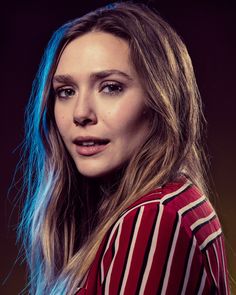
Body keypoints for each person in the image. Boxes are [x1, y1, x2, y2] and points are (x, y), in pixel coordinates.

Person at [18, 2, 230, 294]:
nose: (81, 113)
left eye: (110, 87)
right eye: (66, 92)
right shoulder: (174, 204)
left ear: (160, 99)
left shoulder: (155, 218)